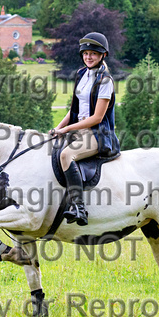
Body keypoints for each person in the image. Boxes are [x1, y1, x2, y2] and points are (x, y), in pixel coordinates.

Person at [50, 32, 120, 226]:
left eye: (93, 54)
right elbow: (74, 109)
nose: (89, 57)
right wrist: (59, 127)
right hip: (78, 130)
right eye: (86, 53)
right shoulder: (82, 74)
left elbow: (96, 118)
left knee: (66, 156)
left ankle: (79, 208)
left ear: (102, 55)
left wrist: (67, 130)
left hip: (98, 134)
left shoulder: (105, 81)